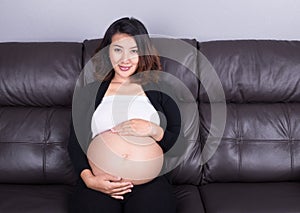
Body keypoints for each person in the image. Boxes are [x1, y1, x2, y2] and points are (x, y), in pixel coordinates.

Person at [68, 17, 181, 213]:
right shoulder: (89, 93)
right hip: (100, 184)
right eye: (118, 49)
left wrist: (154, 130)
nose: (125, 59)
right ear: (107, 52)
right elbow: (74, 142)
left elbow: (180, 145)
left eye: (133, 51)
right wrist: (90, 179)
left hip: (150, 184)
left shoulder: (162, 90)